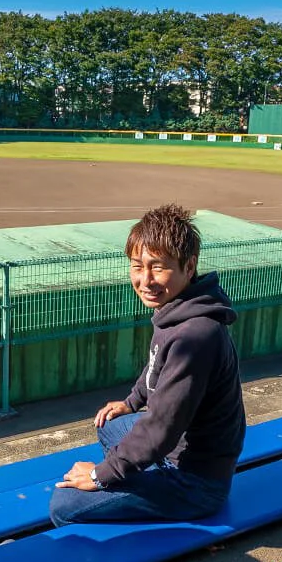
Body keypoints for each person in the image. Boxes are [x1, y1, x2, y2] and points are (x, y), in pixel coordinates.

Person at [50, 204, 246, 526]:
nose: (145, 280)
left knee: (64, 504)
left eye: (158, 267)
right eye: (137, 266)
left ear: (189, 265)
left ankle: (113, 555)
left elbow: (162, 427)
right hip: (174, 452)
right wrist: (132, 402)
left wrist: (102, 476)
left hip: (195, 482)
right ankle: (137, 477)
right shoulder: (176, 309)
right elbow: (156, 365)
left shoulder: (197, 336)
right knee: (111, 423)